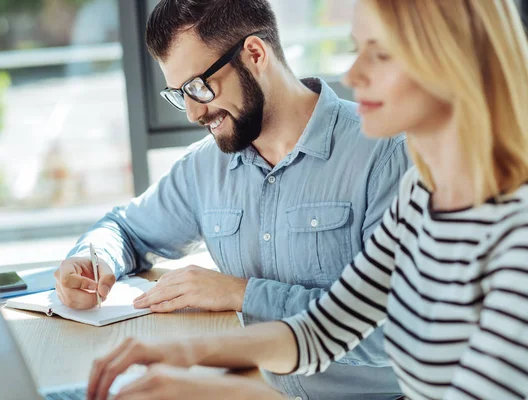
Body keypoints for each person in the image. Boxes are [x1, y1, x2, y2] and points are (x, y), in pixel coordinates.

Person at [84, 0, 528, 399]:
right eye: (357, 50)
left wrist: (224, 393)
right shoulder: (422, 197)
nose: (352, 76)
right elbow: (324, 331)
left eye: (381, 53)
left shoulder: (514, 235)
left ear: (452, 65)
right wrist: (189, 351)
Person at [54, 0, 410, 399]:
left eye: (198, 87)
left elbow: (394, 332)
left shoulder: (385, 156)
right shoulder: (207, 168)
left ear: (255, 54)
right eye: (179, 94)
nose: (191, 113)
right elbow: (125, 228)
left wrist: (242, 293)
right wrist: (93, 259)